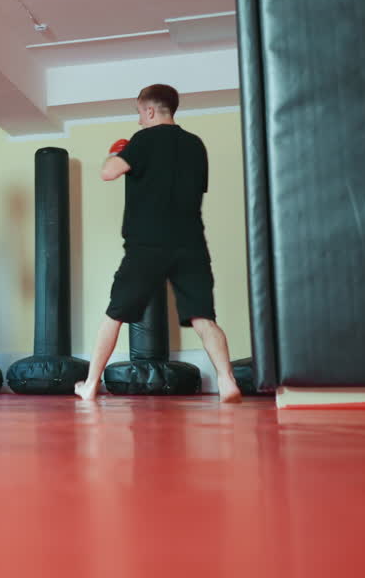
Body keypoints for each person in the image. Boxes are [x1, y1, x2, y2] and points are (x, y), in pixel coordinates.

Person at [74, 84, 242, 403]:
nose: (138, 120)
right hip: (190, 242)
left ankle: (91, 384)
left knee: (115, 314)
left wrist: (116, 151)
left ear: (150, 110)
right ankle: (227, 380)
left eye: (139, 113)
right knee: (203, 316)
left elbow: (108, 173)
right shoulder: (195, 145)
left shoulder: (142, 140)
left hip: (147, 245)